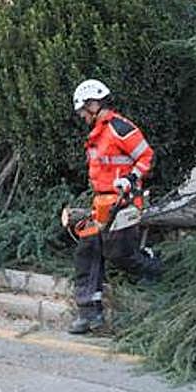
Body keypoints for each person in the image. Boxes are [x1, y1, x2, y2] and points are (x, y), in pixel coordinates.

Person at [68, 79, 162, 335]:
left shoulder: (120, 128)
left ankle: (153, 267)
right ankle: (89, 313)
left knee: (119, 254)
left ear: (93, 104)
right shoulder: (97, 134)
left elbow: (147, 156)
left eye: (83, 111)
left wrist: (131, 178)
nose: (82, 116)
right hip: (102, 202)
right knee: (87, 251)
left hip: (125, 201)